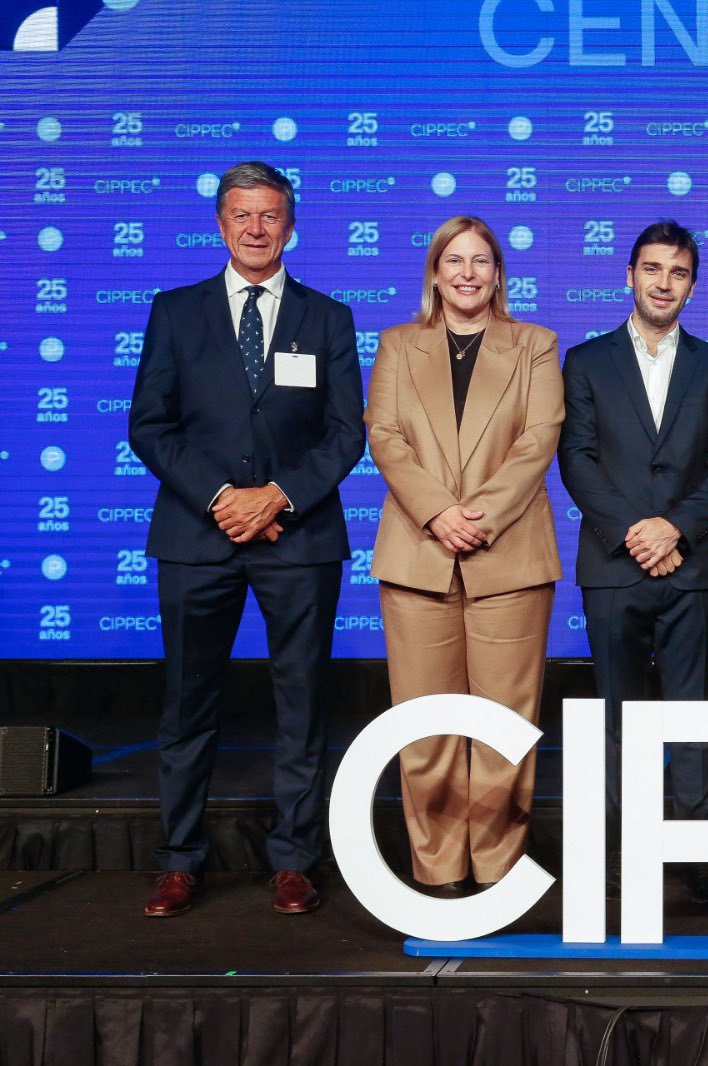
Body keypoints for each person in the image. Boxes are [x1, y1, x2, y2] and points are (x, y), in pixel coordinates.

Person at [129, 161, 364, 917]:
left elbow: (345, 435)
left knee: (302, 704)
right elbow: (149, 426)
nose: (256, 229)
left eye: (270, 215)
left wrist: (276, 497)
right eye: (242, 215)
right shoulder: (175, 311)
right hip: (197, 537)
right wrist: (222, 498)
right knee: (187, 702)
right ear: (220, 224)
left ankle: (294, 859)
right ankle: (179, 860)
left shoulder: (328, 318)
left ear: (290, 225)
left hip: (299, 538)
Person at [365, 216, 564, 896]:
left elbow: (539, 439)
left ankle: (498, 873)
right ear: (434, 272)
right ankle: (439, 872)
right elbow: (385, 436)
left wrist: (475, 519)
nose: (467, 273)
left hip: (508, 557)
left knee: (505, 728)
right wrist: (438, 514)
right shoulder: (398, 344)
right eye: (454, 260)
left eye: (480, 261)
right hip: (418, 554)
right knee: (426, 730)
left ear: (498, 273)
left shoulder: (535, 344)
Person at [558, 221, 708, 905]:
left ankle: (696, 851)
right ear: (629, 276)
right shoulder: (585, 361)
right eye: (652, 268)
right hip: (614, 564)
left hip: (694, 568)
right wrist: (633, 533)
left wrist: (674, 530)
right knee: (619, 716)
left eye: (678, 272)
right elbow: (576, 457)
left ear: (692, 286)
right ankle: (623, 848)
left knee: (693, 715)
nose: (664, 282)